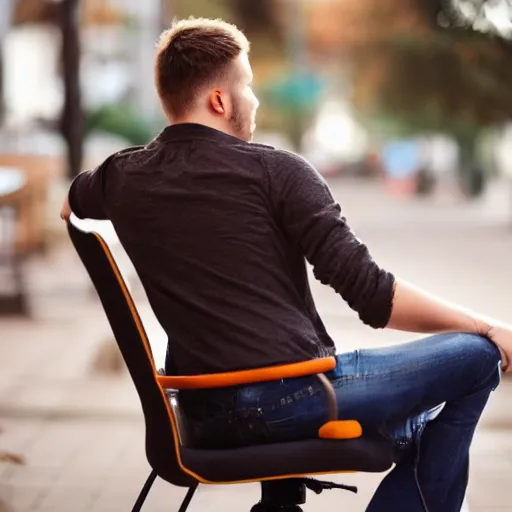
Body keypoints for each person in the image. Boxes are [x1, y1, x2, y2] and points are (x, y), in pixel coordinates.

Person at [60, 17, 512, 512]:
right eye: (248, 86)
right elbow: (372, 296)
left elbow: (72, 203)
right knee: (476, 357)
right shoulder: (277, 173)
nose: (254, 100)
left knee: (416, 430)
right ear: (219, 100)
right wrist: (487, 326)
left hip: (199, 415)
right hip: (292, 398)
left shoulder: (120, 176)